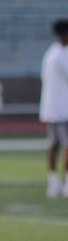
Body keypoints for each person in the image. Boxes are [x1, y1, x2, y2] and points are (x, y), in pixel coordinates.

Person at [39, 19, 68, 198]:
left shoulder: (50, 53)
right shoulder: (61, 55)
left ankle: (53, 182)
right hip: (63, 108)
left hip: (52, 107)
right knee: (65, 145)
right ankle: (65, 183)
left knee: (53, 144)